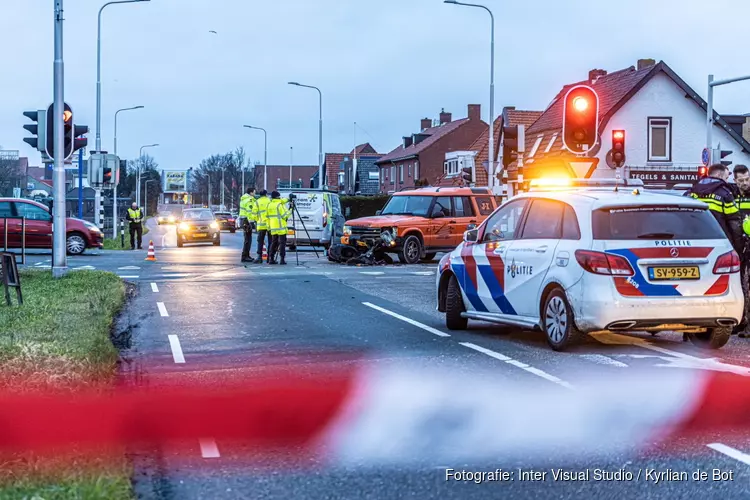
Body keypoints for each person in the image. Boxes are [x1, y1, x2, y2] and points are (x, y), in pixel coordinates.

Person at [685, 163, 743, 251]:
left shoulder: (691, 192)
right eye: (726, 178)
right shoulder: (725, 194)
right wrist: (738, 248)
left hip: (692, 242)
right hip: (719, 242)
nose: (726, 181)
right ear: (719, 175)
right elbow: (734, 224)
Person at [732, 165, 750, 337]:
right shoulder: (731, 195)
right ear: (735, 180)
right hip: (738, 245)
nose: (745, 183)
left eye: (747, 179)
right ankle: (741, 321)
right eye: (741, 180)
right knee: (740, 285)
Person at [266, 191, 290, 265]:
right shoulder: (279, 205)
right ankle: (282, 259)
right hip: (281, 227)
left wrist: (269, 227)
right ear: (278, 196)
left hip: (273, 227)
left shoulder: (269, 205)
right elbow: (285, 216)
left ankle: (271, 258)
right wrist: (291, 210)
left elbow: (267, 217)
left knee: (274, 243)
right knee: (282, 243)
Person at [239, 187, 257, 263]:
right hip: (247, 221)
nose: (255, 193)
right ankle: (245, 256)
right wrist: (251, 222)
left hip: (244, 220)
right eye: (254, 192)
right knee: (248, 240)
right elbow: (249, 212)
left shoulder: (244, 199)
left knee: (247, 239)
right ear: (251, 193)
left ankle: (246, 255)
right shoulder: (249, 200)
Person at [254, 190, 272, 263]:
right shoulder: (269, 201)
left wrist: (257, 220)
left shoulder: (257, 202)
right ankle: (270, 257)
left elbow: (254, 213)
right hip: (269, 224)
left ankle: (259, 257)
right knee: (271, 241)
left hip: (261, 225)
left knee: (260, 241)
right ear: (266, 194)